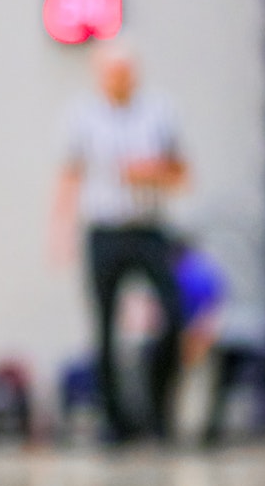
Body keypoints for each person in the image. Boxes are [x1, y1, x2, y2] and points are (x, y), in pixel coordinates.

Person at [50, 43, 191, 444]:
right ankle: (117, 423)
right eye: (111, 71)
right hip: (104, 230)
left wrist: (153, 172)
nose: (119, 78)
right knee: (104, 327)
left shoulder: (161, 110)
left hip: (149, 227)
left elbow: (183, 173)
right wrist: (60, 231)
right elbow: (70, 175)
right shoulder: (82, 115)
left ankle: (158, 414)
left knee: (173, 314)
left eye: (125, 70)